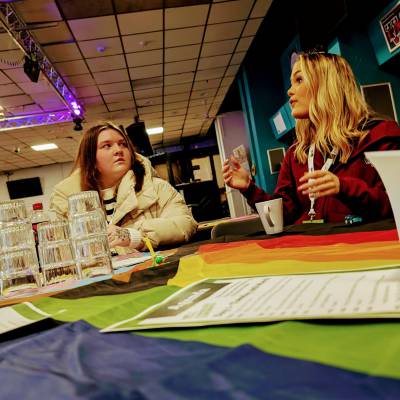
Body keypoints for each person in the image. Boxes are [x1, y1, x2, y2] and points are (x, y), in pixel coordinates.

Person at [223, 52, 400, 225]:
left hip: (364, 249)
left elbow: (393, 205)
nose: (289, 91)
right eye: (291, 83)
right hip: (312, 249)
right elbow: (285, 216)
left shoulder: (380, 135)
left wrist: (344, 188)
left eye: (299, 80)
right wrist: (249, 188)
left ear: (326, 85)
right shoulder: (296, 153)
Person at [50, 122, 197, 253]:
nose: (118, 150)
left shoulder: (157, 187)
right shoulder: (66, 200)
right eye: (107, 146)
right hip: (96, 279)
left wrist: (134, 235)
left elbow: (185, 224)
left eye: (123, 144)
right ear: (91, 159)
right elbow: (59, 249)